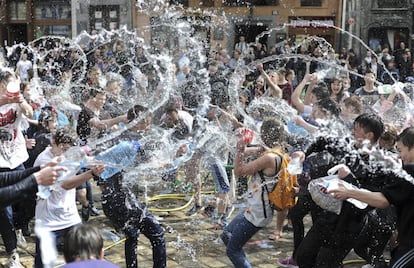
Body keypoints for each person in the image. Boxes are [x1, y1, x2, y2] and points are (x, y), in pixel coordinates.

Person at [328, 126, 414, 268]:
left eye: (401, 150)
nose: (399, 156)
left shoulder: (410, 171)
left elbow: (383, 200)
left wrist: (349, 192)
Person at [98, 104, 166, 268]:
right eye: (146, 123)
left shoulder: (119, 137)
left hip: (112, 201)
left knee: (133, 235)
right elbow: (149, 163)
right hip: (122, 200)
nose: (148, 127)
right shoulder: (129, 143)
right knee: (158, 234)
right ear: (136, 123)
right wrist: (164, 163)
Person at [220, 118, 288, 267]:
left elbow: (238, 172)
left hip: (258, 214)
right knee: (226, 235)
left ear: (264, 134)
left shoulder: (270, 157)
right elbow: (245, 151)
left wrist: (240, 149)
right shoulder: (272, 150)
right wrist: (242, 143)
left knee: (233, 250)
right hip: (253, 208)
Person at [33, 127, 105, 268]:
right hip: (48, 222)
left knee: (86, 255)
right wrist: (92, 174)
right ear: (53, 143)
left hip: (70, 218)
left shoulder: (71, 154)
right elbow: (65, 184)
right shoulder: (44, 160)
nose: (66, 153)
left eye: (69, 150)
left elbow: (88, 160)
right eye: (63, 148)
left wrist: (102, 161)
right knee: (43, 263)